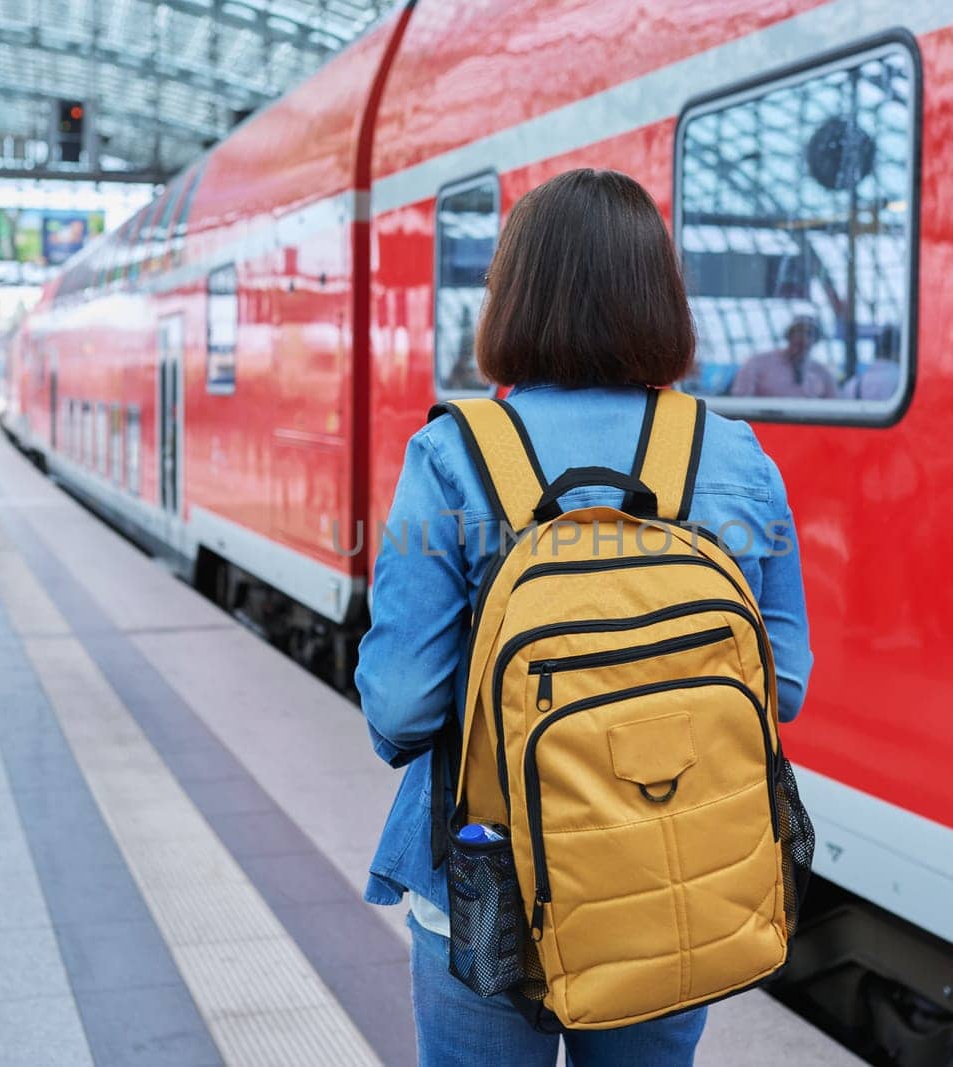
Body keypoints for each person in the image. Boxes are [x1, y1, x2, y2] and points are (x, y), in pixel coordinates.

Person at [355, 169, 812, 1066]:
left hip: (487, 893)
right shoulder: (732, 452)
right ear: (662, 297)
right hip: (675, 880)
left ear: (512, 296)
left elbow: (401, 711)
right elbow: (782, 686)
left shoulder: (453, 454)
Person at [729, 315, 839, 399]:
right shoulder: (758, 363)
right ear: (789, 335)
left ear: (815, 340)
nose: (803, 339)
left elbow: (835, 406)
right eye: (798, 332)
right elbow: (740, 399)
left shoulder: (822, 373)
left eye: (810, 334)